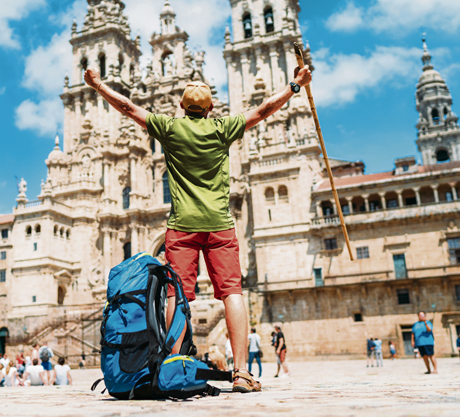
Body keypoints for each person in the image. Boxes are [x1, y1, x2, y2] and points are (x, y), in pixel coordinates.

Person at [83, 61, 313, 393]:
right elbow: (263, 110)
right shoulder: (223, 127)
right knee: (232, 292)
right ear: (211, 108)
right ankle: (241, 372)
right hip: (220, 223)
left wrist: (98, 86)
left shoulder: (169, 128)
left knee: (176, 295)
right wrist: (295, 86)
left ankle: (169, 366)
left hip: (181, 226)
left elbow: (128, 107)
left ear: (180, 105)